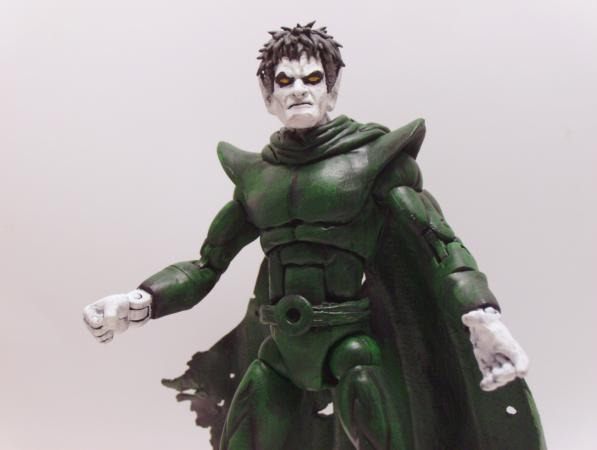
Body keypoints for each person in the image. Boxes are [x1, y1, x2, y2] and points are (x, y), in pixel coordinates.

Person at [83, 22, 545, 450]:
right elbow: (206, 265)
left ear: (332, 89)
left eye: (313, 78)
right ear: (268, 96)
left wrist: (482, 317)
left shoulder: (372, 163)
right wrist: (140, 301)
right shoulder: (258, 180)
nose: (299, 90)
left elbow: (440, 246)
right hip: (281, 351)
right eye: (284, 81)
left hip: (350, 348)